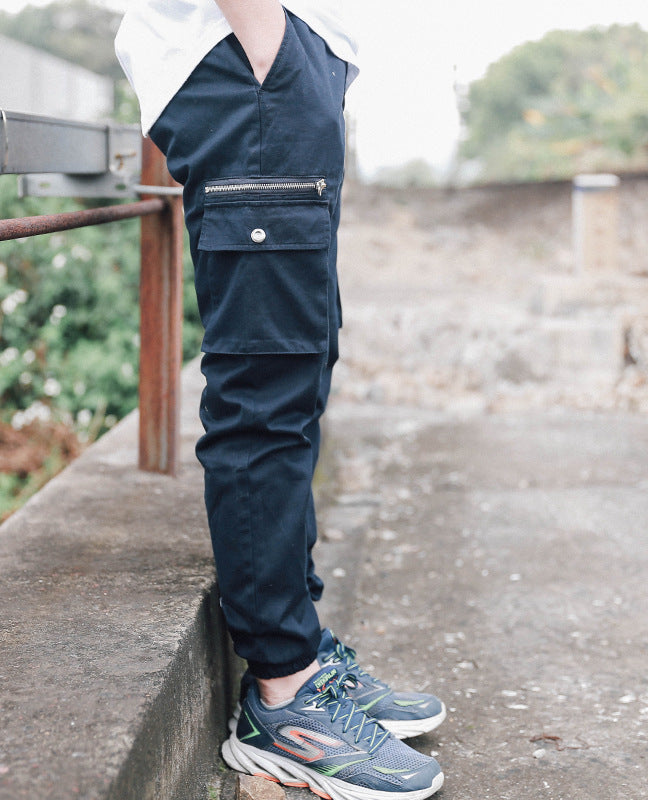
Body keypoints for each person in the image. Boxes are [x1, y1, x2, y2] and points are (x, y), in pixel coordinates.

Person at [115, 2, 445, 798]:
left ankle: (303, 651)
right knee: (266, 389)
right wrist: (270, 49)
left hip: (282, 64)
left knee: (298, 369)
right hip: (251, 61)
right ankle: (283, 697)